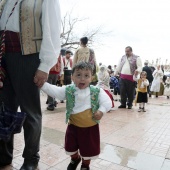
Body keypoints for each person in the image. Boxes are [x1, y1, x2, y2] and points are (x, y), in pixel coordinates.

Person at [0, 1, 61, 169]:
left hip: (28, 56)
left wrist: (45, 65)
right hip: (4, 56)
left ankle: (31, 159)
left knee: (30, 111)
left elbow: (53, 30)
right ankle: (3, 156)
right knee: (4, 108)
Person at [41, 62, 112, 170]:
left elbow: (107, 102)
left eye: (86, 75)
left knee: (88, 149)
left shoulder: (97, 91)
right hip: (73, 126)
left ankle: (85, 165)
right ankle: (75, 158)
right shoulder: (69, 90)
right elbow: (55, 91)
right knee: (70, 146)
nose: (82, 79)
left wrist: (101, 111)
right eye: (78, 75)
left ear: (92, 77)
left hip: (90, 128)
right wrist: (42, 84)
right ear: (72, 77)